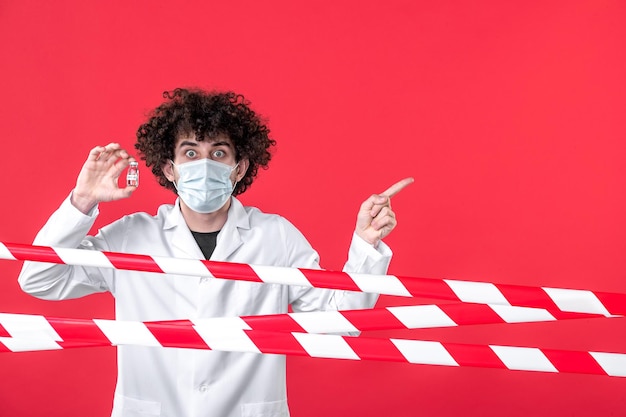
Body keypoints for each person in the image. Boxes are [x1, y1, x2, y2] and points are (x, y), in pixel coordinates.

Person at [18, 88, 413, 417]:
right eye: (190, 153)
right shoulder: (131, 236)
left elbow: (342, 321)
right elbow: (38, 279)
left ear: (239, 168)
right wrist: (81, 203)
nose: (204, 165)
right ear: (169, 168)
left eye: (218, 154)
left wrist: (366, 244)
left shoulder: (276, 237)